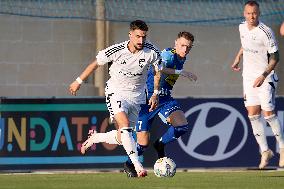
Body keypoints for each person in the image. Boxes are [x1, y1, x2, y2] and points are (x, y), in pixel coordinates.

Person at [69, 20, 161, 177]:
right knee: (124, 126)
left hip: (138, 96)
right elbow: (95, 64)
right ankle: (138, 167)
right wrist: (78, 81)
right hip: (116, 91)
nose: (141, 40)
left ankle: (97, 137)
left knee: (123, 135)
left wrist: (155, 93)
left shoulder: (152, 52)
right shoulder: (117, 50)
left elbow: (158, 71)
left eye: (143, 37)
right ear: (130, 35)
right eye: (138, 36)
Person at [123, 31, 197, 177]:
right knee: (142, 144)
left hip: (165, 99)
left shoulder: (182, 57)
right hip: (147, 99)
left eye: (188, 47)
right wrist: (180, 72)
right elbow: (159, 69)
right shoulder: (168, 54)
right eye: (182, 45)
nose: (185, 49)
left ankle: (161, 144)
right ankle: (129, 163)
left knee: (182, 126)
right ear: (176, 43)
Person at [231, 0, 284, 169]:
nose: (251, 16)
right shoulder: (241, 27)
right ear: (244, 14)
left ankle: (283, 148)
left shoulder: (266, 32)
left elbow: (276, 57)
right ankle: (265, 151)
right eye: (248, 13)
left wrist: (263, 75)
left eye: (254, 13)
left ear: (259, 14)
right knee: (253, 114)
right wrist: (238, 56)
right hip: (248, 77)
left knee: (268, 113)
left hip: (266, 77)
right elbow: (246, 44)